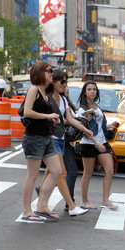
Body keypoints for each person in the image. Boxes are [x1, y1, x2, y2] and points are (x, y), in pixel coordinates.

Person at [36, 69, 91, 216]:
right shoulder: (47, 98)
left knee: (50, 172)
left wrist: (85, 130)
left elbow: (71, 119)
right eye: (62, 82)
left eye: (66, 82)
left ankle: (41, 203)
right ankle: (72, 206)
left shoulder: (64, 99)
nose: (65, 85)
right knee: (62, 173)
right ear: (53, 82)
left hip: (61, 139)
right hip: (51, 138)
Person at [21, 61, 62, 222]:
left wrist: (53, 118)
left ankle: (42, 206)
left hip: (46, 137)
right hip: (34, 138)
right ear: (40, 73)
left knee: (57, 170)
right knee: (32, 175)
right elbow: (27, 111)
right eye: (49, 71)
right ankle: (26, 211)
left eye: (52, 71)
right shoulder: (34, 89)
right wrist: (48, 116)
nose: (52, 74)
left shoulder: (45, 93)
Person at [77, 81, 119, 210]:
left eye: (94, 89)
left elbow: (98, 126)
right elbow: (85, 130)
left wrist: (109, 126)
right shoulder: (82, 110)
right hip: (89, 144)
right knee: (88, 173)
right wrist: (96, 143)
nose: (92, 91)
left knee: (110, 170)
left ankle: (105, 200)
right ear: (85, 92)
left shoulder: (97, 106)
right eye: (89, 89)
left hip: (102, 142)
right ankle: (84, 201)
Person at [62, 79, 81, 205]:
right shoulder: (58, 100)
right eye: (64, 86)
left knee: (55, 172)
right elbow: (61, 120)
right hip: (60, 140)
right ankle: (70, 202)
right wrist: (76, 119)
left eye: (67, 86)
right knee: (72, 171)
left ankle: (42, 191)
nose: (66, 88)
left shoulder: (66, 102)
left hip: (66, 141)